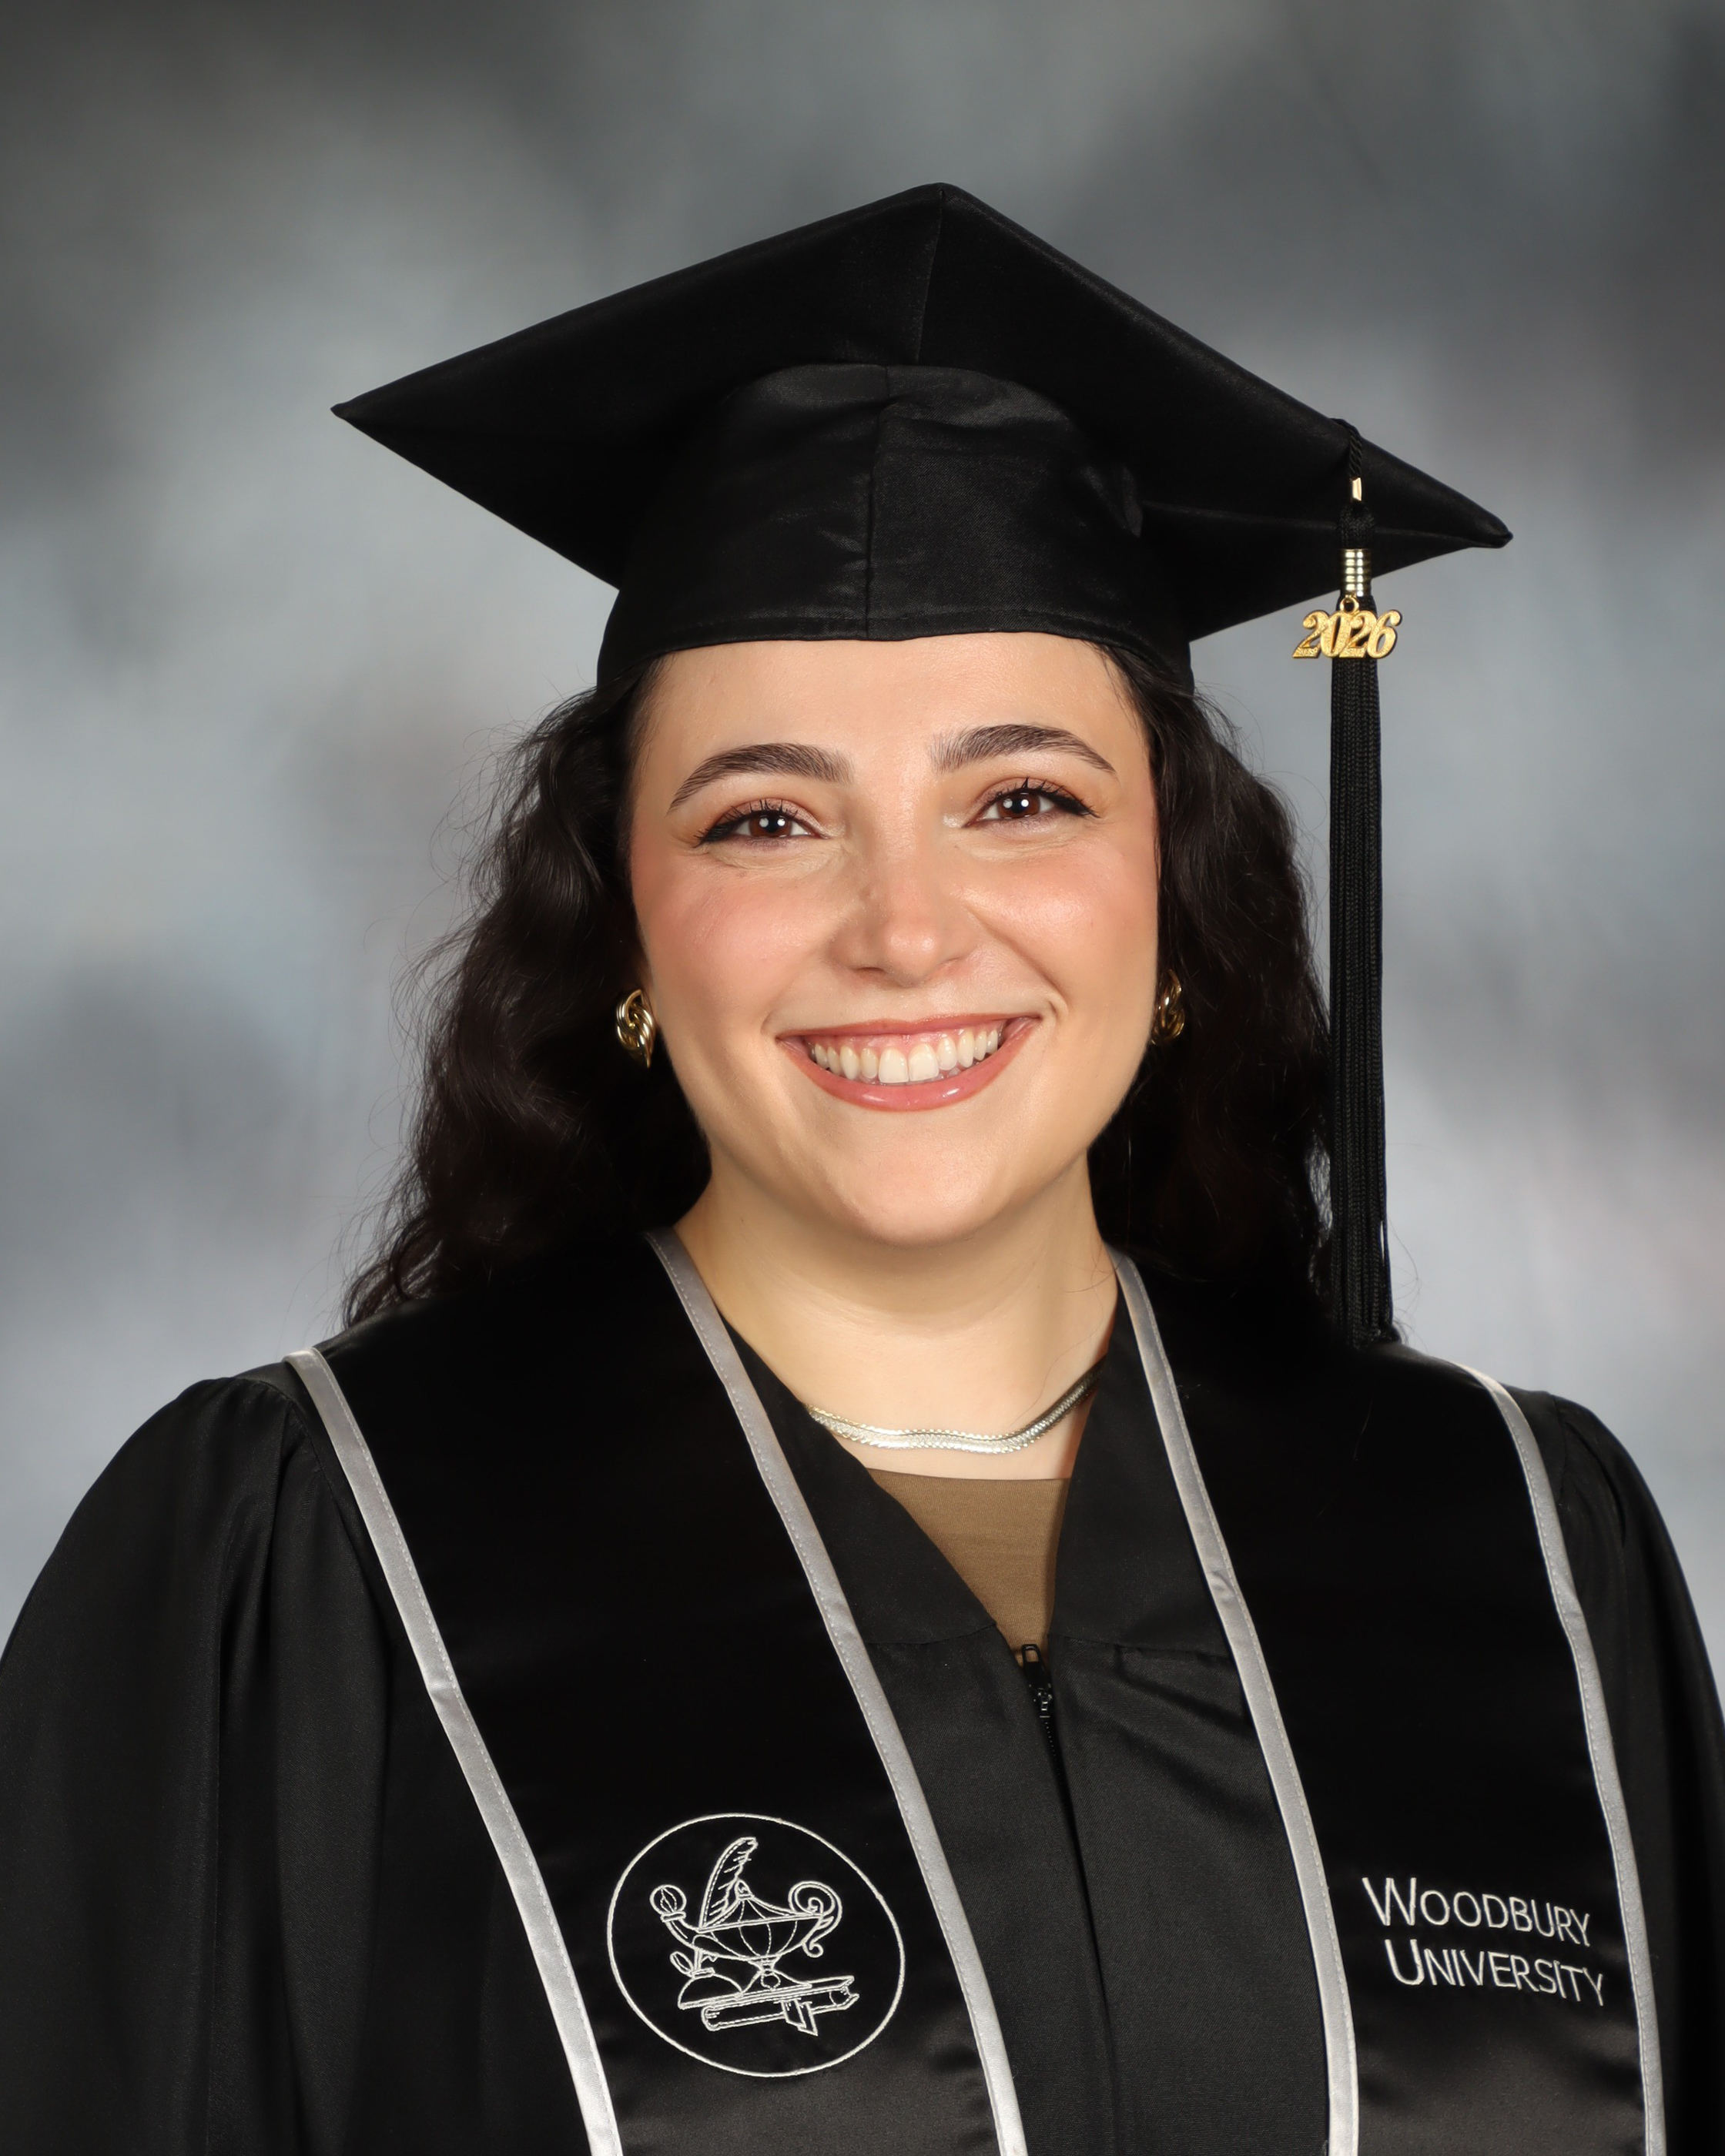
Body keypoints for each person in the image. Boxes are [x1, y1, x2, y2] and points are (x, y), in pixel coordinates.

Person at [0, 185, 1719, 2156]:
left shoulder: (1516, 1541)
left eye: (1022, 798)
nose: (905, 931)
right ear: (626, 922)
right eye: (763, 819)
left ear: (1173, 896)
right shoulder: (323, 1555)